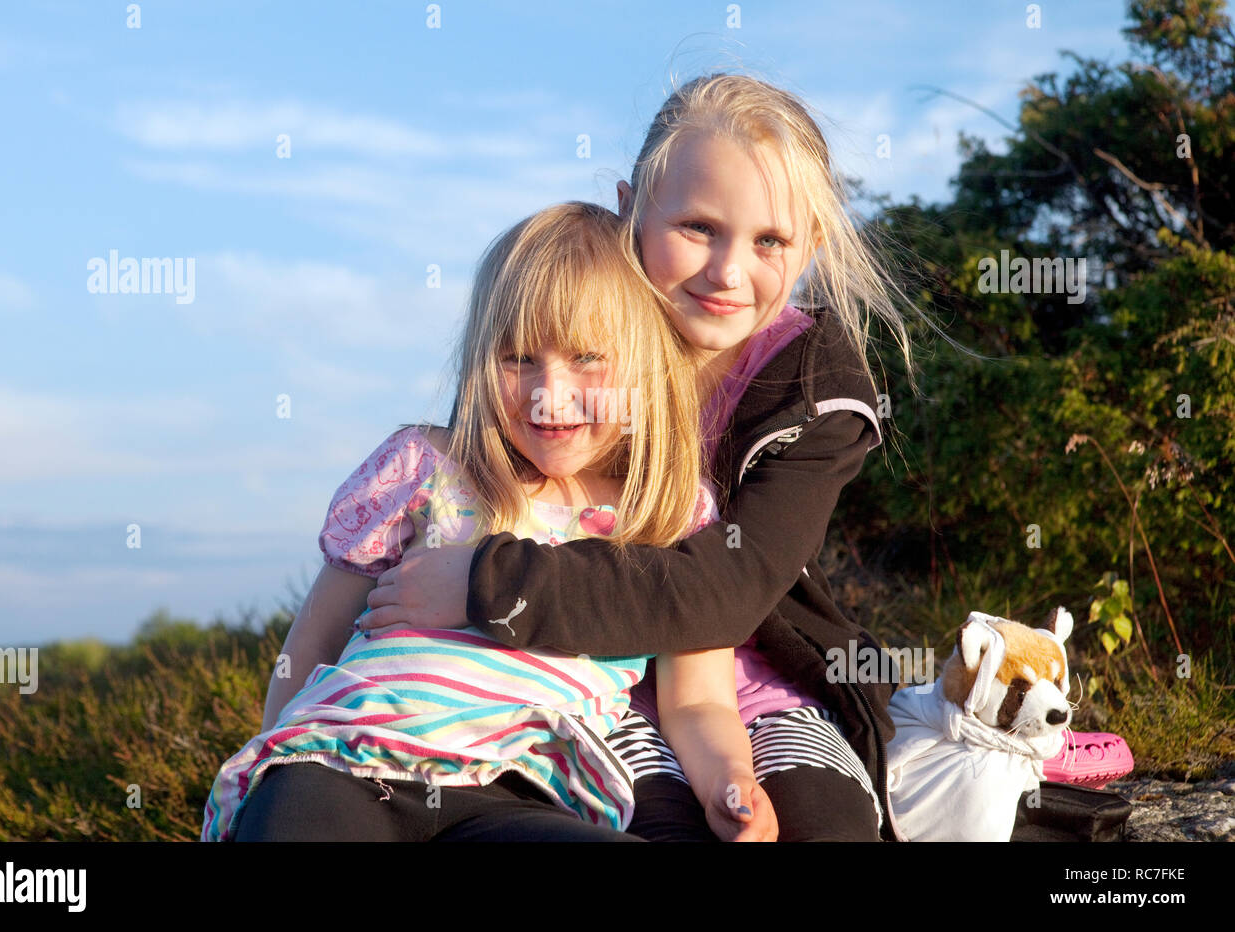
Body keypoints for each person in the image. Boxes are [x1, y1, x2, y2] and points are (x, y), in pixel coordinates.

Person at [359, 73, 932, 841]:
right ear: (631, 209)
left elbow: (725, 592)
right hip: (589, 674)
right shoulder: (567, 338)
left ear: (809, 251)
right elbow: (478, 479)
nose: (728, 272)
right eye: (698, 227)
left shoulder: (815, 390)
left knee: (826, 824)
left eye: (769, 241)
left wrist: (484, 582)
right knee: (657, 823)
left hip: (755, 684)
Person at [201, 201, 776, 842]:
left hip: (523, 793)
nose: (548, 394)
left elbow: (697, 701)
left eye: (588, 357)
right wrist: (273, 758)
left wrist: (730, 779)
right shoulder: (427, 464)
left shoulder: (667, 514)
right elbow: (312, 643)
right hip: (340, 763)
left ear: (647, 363)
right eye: (518, 358)